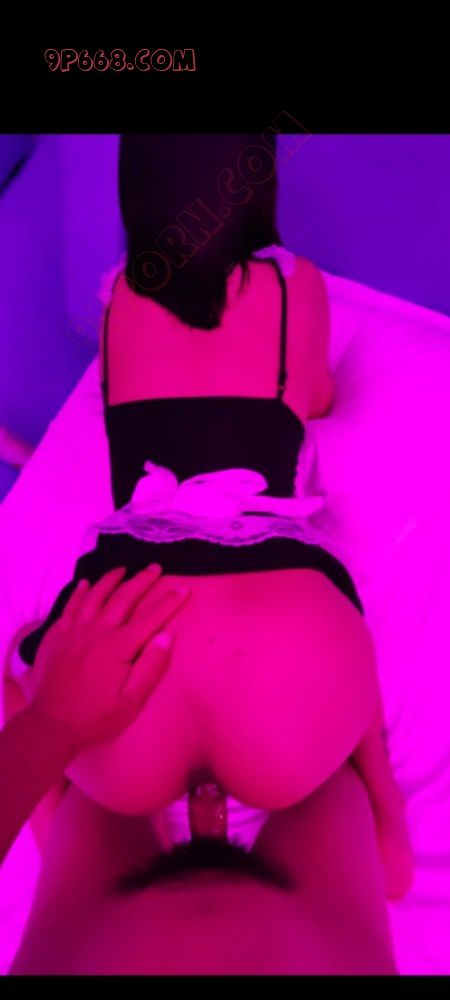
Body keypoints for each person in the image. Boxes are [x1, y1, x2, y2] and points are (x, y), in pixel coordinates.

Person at [10, 133, 412, 899]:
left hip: (133, 665)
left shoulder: (122, 298)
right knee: (334, 638)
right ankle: (379, 794)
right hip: (283, 662)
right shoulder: (294, 288)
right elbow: (315, 398)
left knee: (30, 668)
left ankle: (76, 830)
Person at [2, 570, 398, 975]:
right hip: (149, 713)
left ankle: (382, 804)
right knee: (103, 778)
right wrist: (51, 721)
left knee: (337, 791)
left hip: (297, 674)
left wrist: (52, 721)